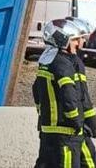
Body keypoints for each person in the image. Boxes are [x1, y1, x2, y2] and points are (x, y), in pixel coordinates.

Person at [33, 19, 86, 168]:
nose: (77, 44)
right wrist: (76, 121)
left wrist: (42, 114)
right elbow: (68, 95)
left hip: (47, 131)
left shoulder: (46, 62)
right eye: (74, 40)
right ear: (64, 41)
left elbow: (36, 90)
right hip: (65, 134)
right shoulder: (63, 63)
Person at [65, 17, 96, 168]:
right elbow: (82, 95)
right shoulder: (75, 62)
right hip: (77, 129)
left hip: (63, 130)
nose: (83, 42)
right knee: (90, 162)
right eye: (81, 38)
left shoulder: (52, 61)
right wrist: (91, 122)